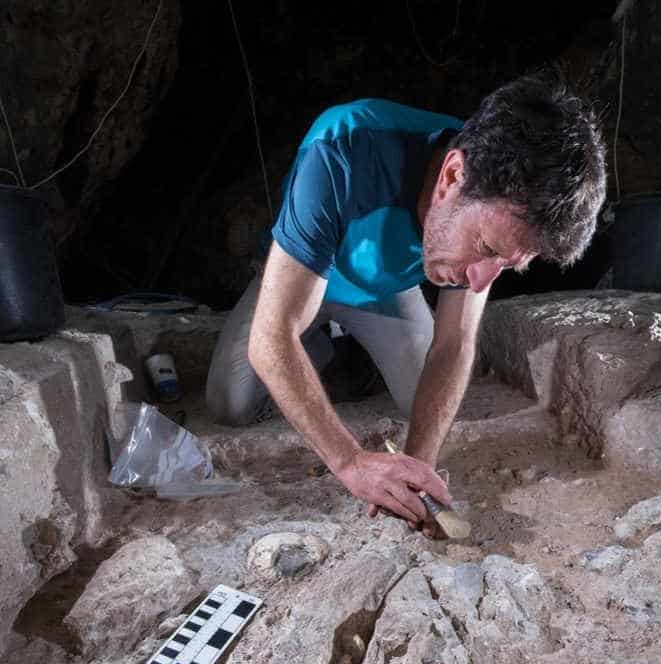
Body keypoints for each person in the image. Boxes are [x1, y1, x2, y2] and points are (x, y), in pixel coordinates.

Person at [206, 74, 606, 533]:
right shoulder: (344, 147)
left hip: (383, 289)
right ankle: (318, 345)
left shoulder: (498, 198)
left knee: (426, 396)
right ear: (452, 177)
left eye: (505, 265)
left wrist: (416, 473)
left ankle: (338, 351)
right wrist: (351, 461)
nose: (480, 280)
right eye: (488, 249)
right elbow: (270, 336)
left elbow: (454, 343)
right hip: (301, 277)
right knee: (229, 404)